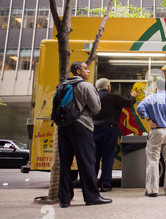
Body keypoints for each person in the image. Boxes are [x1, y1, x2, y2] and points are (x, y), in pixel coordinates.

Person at [57, 62, 111, 208]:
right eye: (85, 69)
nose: (88, 71)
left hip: (62, 127)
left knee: (65, 163)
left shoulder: (62, 85)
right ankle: (92, 197)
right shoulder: (86, 86)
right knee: (86, 162)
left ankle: (64, 199)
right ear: (78, 71)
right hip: (81, 126)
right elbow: (96, 108)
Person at [93, 78, 137, 192]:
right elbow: (128, 104)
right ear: (108, 87)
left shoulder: (92, 96)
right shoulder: (113, 96)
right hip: (108, 130)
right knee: (108, 158)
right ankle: (105, 184)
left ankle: (92, 185)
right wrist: (133, 96)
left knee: (94, 158)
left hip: (93, 130)